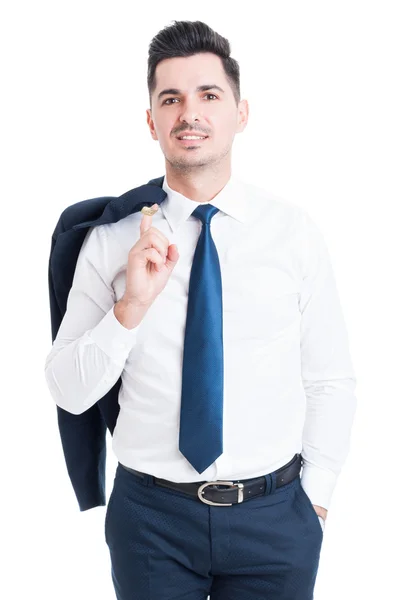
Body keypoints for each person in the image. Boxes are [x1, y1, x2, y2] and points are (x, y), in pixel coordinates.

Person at [44, 19, 357, 600]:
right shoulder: (112, 242)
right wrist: (131, 305)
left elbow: (330, 378)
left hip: (275, 520)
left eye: (208, 95)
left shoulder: (293, 233)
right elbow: (69, 391)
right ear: (152, 121)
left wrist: (314, 502)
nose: (191, 112)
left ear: (241, 113)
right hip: (151, 522)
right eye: (171, 99)